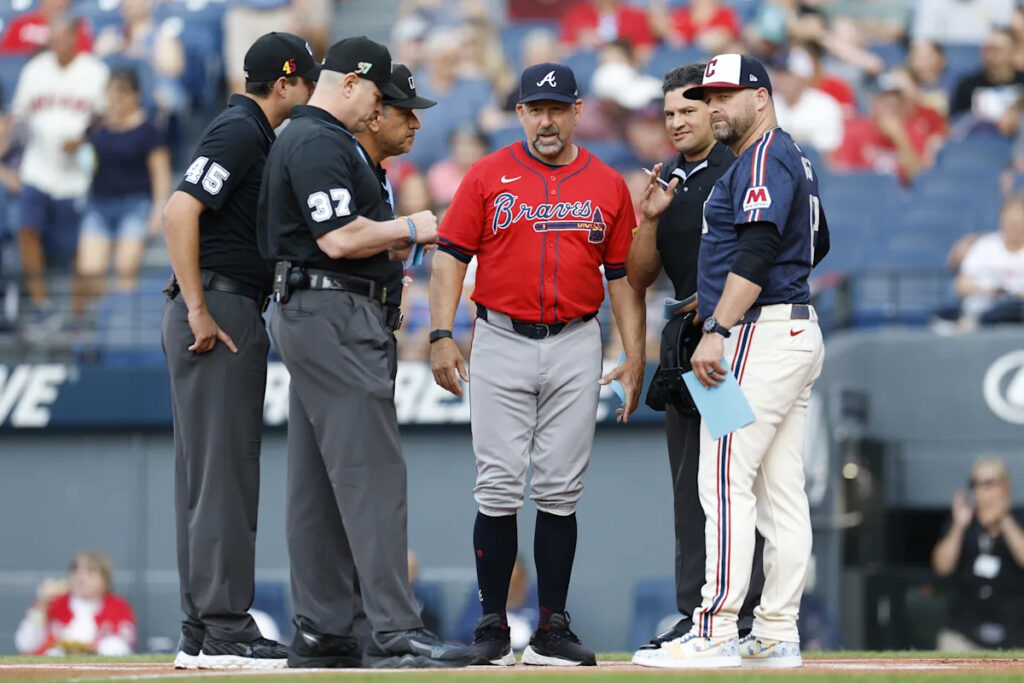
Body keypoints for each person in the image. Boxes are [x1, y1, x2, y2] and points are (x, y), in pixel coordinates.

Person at [257, 36, 474, 670]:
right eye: (379, 94)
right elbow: (337, 238)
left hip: (322, 310)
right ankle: (393, 629)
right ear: (351, 83)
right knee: (373, 473)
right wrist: (413, 227)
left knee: (317, 484)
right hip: (331, 312)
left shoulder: (325, 139)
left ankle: (324, 629)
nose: (381, 109)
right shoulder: (318, 139)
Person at [429, 61, 645, 667]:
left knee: (560, 488)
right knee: (498, 484)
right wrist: (441, 334)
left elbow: (623, 276)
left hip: (577, 338)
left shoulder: (606, 183)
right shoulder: (487, 174)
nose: (546, 121)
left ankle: (551, 628)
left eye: (557, 109)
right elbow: (449, 257)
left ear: (577, 112)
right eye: (535, 110)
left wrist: (634, 353)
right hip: (500, 336)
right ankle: (493, 629)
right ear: (520, 113)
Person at [633, 53, 829, 670]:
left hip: (758, 333)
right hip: (787, 326)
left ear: (760, 98)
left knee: (720, 477)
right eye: (709, 97)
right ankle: (775, 630)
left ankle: (716, 628)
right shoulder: (785, 155)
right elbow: (816, 241)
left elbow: (762, 245)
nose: (714, 106)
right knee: (779, 491)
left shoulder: (764, 155)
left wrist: (719, 322)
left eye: (725, 96)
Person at [161, 31, 318, 670]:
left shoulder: (251, 131)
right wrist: (199, 307)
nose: (312, 92)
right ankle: (225, 628)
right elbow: (179, 211)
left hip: (220, 304)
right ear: (283, 84)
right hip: (219, 309)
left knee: (205, 480)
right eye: (307, 81)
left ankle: (202, 628)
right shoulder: (241, 130)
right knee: (224, 477)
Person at [625, 63, 765, 656]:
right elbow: (638, 276)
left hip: (730, 341)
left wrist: (721, 314)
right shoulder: (671, 179)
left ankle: (748, 614)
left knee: (732, 481)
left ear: (714, 109)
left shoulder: (743, 167)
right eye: (669, 114)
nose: (677, 122)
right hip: (686, 342)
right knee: (690, 486)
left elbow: (775, 250)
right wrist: (649, 220)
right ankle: (697, 612)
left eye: (688, 110)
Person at [10, 18, 108, 330]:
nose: (56, 43)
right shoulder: (35, 69)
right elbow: (18, 115)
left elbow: (106, 119)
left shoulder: (94, 70)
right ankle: (41, 305)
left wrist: (84, 139)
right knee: (26, 229)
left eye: (62, 37)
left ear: (75, 37)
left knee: (79, 245)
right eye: (52, 37)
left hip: (77, 174)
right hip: (37, 167)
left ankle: (77, 314)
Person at [68, 67, 171, 318]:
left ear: (134, 96)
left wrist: (158, 210)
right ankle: (106, 316)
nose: (114, 100)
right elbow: (81, 151)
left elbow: (160, 172)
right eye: (110, 93)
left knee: (126, 269)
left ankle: (123, 324)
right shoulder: (97, 125)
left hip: (134, 206)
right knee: (90, 269)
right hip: (99, 204)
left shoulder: (149, 130)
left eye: (120, 94)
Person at [932, 458, 1024, 650]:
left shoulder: (1018, 521)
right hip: (963, 631)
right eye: (975, 484)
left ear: (1005, 488)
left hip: (1014, 633)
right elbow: (942, 567)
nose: (981, 491)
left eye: (989, 483)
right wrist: (959, 526)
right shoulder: (962, 523)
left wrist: (1004, 521)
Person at [15, 552, 136, 656]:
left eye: (90, 572)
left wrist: (90, 648)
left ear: (105, 580)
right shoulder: (53, 602)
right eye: (76, 571)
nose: (81, 578)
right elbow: (25, 644)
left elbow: (123, 646)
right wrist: (41, 606)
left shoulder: (118, 606)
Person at [951, 196, 1024, 327]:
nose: (1013, 227)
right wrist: (991, 292)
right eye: (1009, 222)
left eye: (1018, 223)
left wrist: (1015, 295)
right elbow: (961, 286)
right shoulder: (984, 246)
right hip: (981, 317)